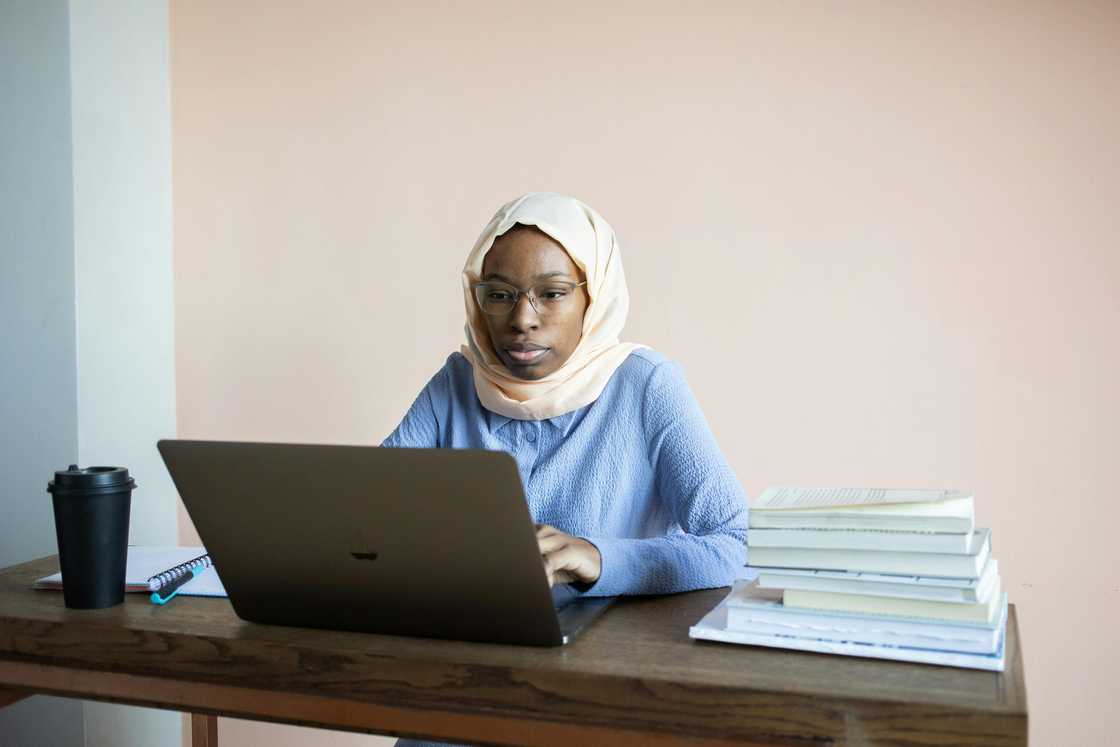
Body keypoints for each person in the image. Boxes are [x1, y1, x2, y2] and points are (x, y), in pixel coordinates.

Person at [382, 192, 747, 747]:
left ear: (592, 298)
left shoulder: (645, 385)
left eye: (551, 294)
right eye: (498, 295)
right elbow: (367, 509)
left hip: (599, 690)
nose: (522, 319)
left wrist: (600, 558)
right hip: (462, 679)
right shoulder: (459, 381)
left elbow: (735, 543)